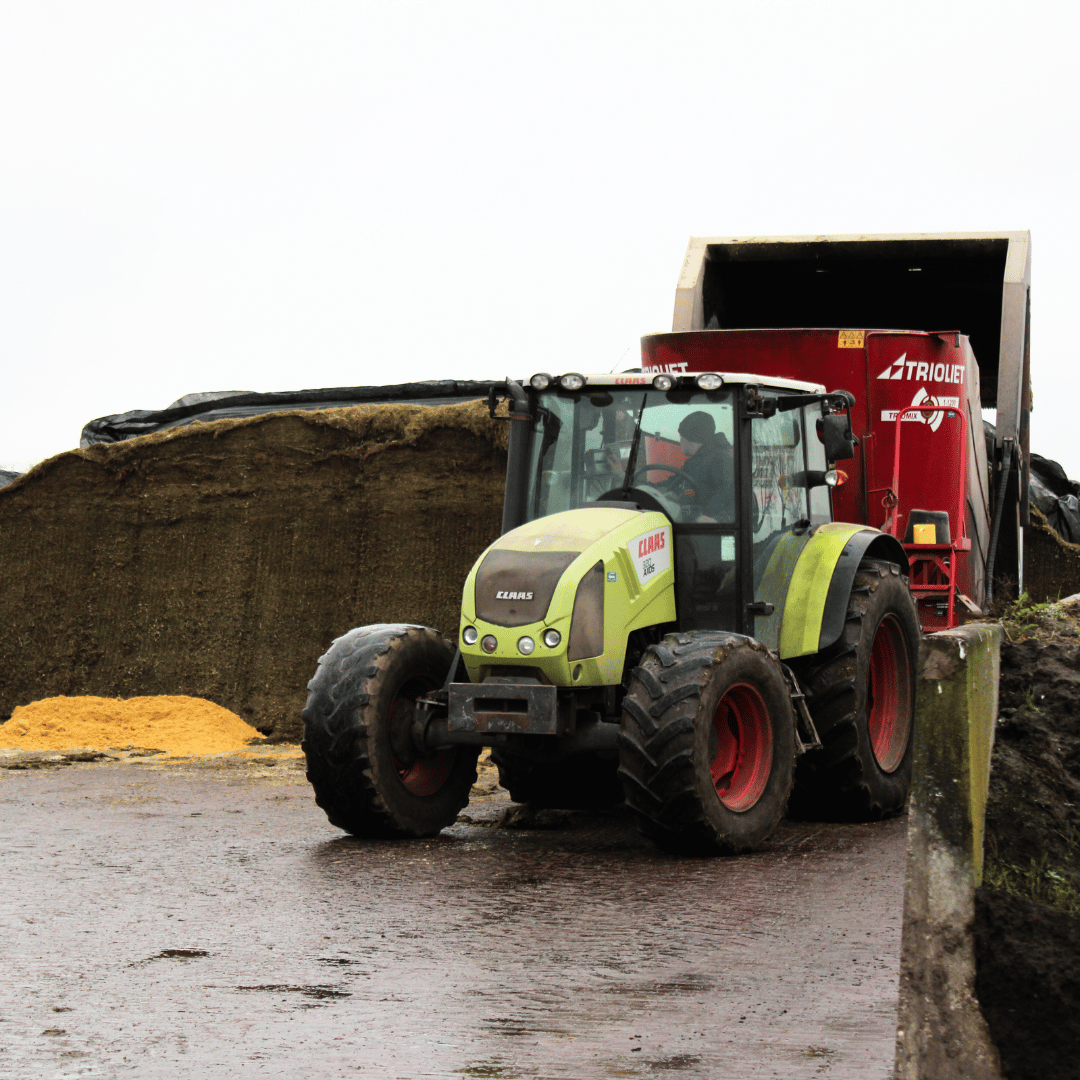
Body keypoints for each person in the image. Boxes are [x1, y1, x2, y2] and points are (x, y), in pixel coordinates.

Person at [676, 411, 735, 521]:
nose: (680, 441)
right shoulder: (695, 463)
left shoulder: (721, 460)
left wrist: (716, 520)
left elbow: (730, 498)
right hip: (689, 522)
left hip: (706, 529)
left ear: (690, 438)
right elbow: (673, 483)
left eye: (681, 436)